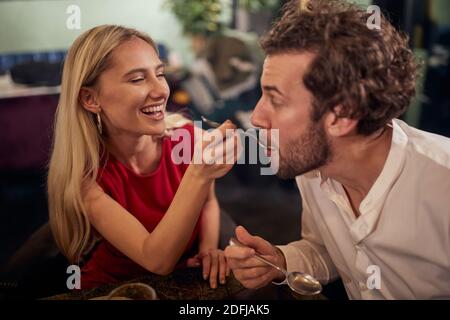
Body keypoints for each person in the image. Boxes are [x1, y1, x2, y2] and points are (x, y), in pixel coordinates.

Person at [225, 0, 450, 299]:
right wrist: (282, 261)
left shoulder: (442, 188)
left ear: (342, 115)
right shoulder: (313, 166)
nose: (256, 117)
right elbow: (327, 248)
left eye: (275, 99)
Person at [47, 25, 239, 289]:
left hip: (184, 277)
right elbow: (157, 261)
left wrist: (208, 249)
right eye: (137, 79)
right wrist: (198, 173)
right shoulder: (86, 179)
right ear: (90, 98)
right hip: (118, 287)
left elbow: (208, 203)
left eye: (160, 74)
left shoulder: (187, 139)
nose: (161, 91)